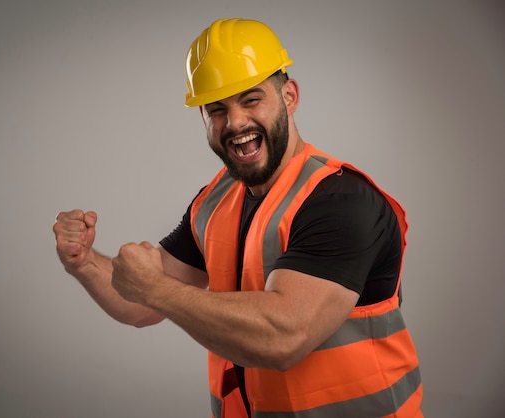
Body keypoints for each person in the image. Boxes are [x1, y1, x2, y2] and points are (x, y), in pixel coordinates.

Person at [53, 18, 423, 418]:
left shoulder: (342, 201)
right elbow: (138, 303)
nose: (235, 124)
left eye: (251, 100)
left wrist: (156, 289)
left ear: (290, 96)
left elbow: (284, 338)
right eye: (217, 109)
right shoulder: (216, 200)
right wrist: (85, 262)